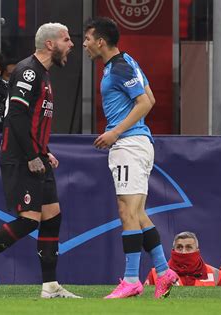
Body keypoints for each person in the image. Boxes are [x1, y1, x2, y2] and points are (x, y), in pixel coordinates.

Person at [0, 22, 80, 299]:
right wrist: (33, 155)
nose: (71, 44)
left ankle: (50, 287)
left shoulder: (43, 74)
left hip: (35, 154)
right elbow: (16, 117)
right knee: (29, 220)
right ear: (50, 44)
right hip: (21, 158)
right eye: (67, 39)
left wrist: (43, 151)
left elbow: (32, 121)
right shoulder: (28, 70)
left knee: (52, 217)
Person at [83, 17, 178, 299]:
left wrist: (115, 132)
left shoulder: (121, 66)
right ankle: (164, 271)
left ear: (100, 41)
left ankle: (132, 280)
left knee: (127, 212)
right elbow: (150, 96)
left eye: (87, 39)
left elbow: (145, 102)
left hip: (129, 144)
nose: (85, 45)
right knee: (137, 213)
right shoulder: (125, 62)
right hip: (135, 143)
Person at [145, 231, 220, 286]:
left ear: (197, 251)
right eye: (179, 247)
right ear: (173, 250)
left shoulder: (216, 274)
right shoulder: (155, 274)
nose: (183, 252)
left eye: (189, 247)